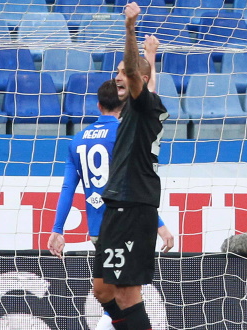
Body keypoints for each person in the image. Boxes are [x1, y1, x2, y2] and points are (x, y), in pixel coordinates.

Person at [92, 3, 169, 329]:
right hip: (121, 205)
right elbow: (148, 82)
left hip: (133, 204)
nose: (118, 76)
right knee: (102, 289)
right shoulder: (146, 107)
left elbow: (142, 81)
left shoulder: (142, 104)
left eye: (124, 72)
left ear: (137, 79)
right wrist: (151, 55)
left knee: (126, 294)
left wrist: (130, 29)